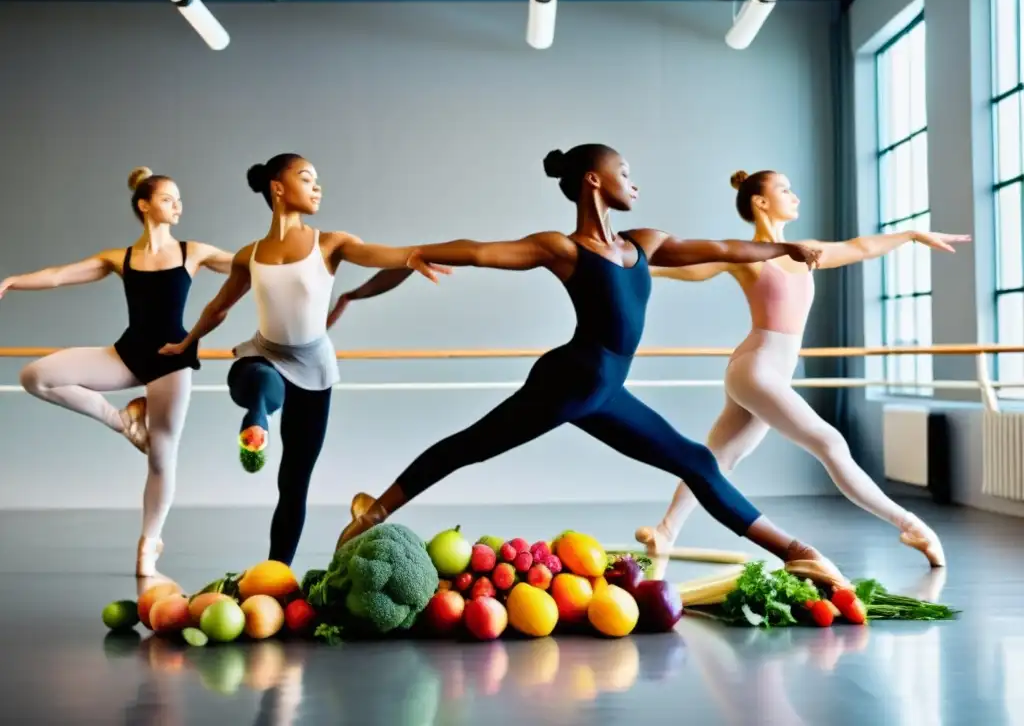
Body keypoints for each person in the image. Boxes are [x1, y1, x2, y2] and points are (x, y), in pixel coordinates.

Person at [334, 143, 851, 589]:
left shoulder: (642, 242)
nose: (634, 184)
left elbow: (719, 246)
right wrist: (413, 254)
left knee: (696, 461)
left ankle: (796, 554)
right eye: (624, 173)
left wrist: (782, 246)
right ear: (593, 180)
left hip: (605, 390)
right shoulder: (561, 248)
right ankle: (372, 514)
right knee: (468, 447)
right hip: (567, 381)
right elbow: (478, 250)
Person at [634, 169, 971, 568]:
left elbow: (860, 247)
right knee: (830, 444)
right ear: (760, 202)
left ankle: (665, 531)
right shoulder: (744, 255)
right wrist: (623, 263)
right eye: (784, 190)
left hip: (768, 373)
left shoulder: (805, 251)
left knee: (716, 459)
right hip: (754, 369)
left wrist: (911, 235)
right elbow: (681, 269)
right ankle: (911, 525)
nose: (795, 196)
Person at [159, 153, 448, 566]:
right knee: (259, 376)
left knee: (293, 484)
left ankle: (276, 573)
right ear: (277, 188)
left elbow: (378, 254)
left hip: (313, 370)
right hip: (263, 356)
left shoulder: (330, 244)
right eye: (307, 178)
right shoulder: (250, 255)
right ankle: (257, 418)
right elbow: (218, 307)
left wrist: (411, 256)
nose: (317, 187)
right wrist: (187, 342)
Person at [0, 167, 234, 576]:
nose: (177, 205)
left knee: (161, 457)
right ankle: (125, 421)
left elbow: (249, 264)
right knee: (34, 376)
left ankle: (148, 545)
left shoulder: (191, 251)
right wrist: (14, 280)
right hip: (127, 353)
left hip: (172, 358)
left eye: (179, 199)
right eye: (168, 198)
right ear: (144, 205)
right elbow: (59, 276)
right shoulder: (120, 259)